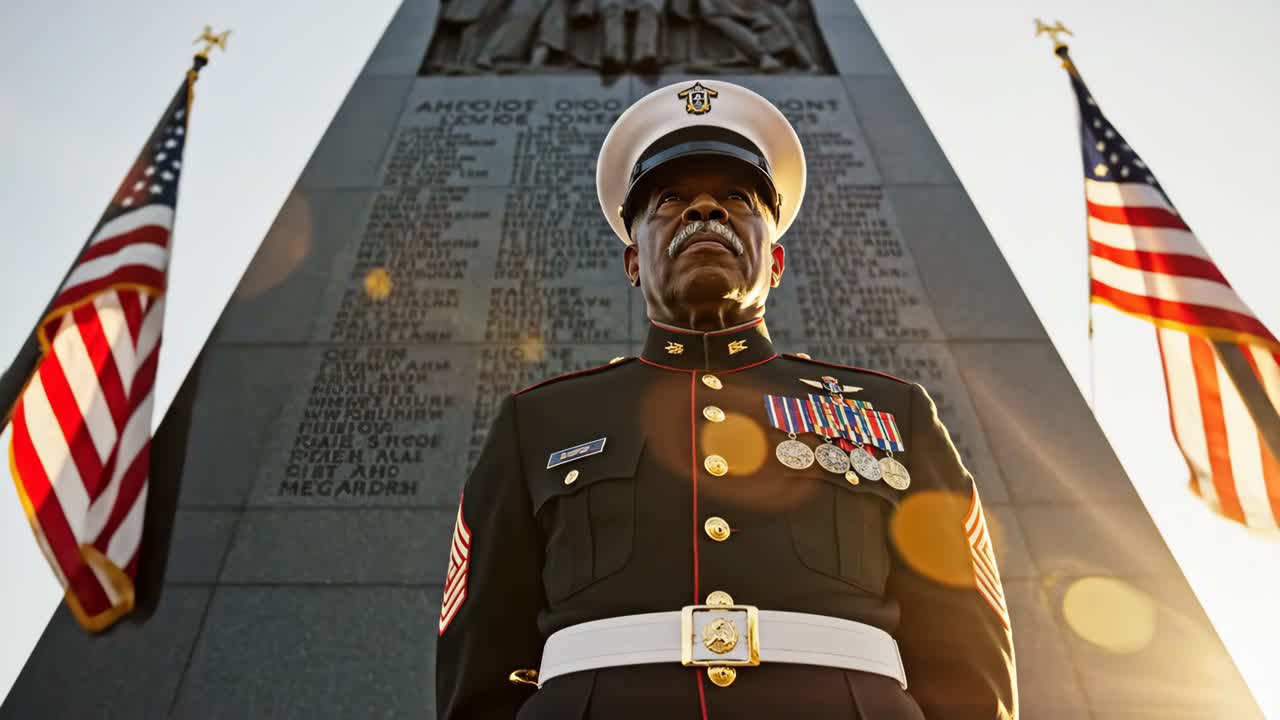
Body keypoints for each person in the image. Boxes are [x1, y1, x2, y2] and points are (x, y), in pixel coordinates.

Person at [436, 79, 1018, 719]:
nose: (704, 212)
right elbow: (481, 669)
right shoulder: (539, 423)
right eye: (670, 201)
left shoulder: (893, 414)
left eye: (737, 199)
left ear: (776, 263)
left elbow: (966, 658)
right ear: (633, 262)